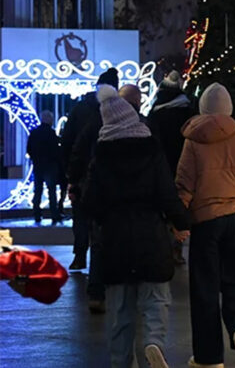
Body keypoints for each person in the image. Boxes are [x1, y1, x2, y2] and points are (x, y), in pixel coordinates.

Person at [82, 84, 190, 368]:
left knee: (120, 312)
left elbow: (90, 204)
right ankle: (153, 342)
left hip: (116, 241)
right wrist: (181, 223)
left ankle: (121, 362)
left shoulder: (101, 157)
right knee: (156, 300)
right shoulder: (151, 149)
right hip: (151, 237)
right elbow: (167, 193)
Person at [175, 83, 235, 368]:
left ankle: (209, 358)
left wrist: (178, 219)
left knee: (205, 289)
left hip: (207, 221)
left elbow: (184, 183)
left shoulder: (194, 140)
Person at [62, 68, 119, 313]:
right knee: (103, 231)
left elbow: (71, 144)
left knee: (83, 220)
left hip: (86, 178)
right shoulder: (117, 114)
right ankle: (104, 283)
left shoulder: (81, 110)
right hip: (110, 181)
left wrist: (71, 177)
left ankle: (79, 255)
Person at [147, 72, 197, 265]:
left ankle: (165, 247)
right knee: (181, 207)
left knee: (164, 209)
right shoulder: (189, 113)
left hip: (162, 167)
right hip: (185, 167)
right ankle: (178, 247)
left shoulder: (155, 114)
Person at [26, 110, 62, 225]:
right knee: (52, 191)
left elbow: (29, 149)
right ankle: (54, 214)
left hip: (38, 166)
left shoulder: (34, 133)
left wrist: (35, 158)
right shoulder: (52, 134)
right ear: (50, 120)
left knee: (38, 190)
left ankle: (37, 213)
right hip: (50, 166)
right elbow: (56, 151)